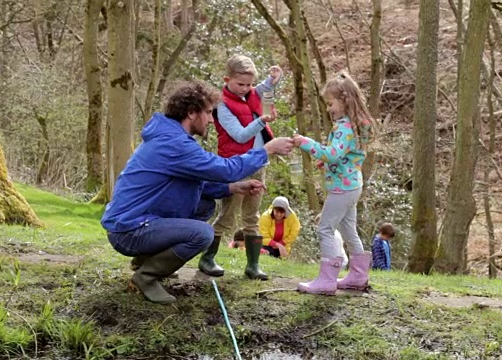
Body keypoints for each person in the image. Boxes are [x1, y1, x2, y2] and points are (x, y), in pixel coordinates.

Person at [100, 80, 294, 304]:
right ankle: (146, 277)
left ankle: (145, 260)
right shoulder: (175, 144)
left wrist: (232, 188)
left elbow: (195, 182)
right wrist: (267, 149)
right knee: (202, 234)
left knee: (205, 205)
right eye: (209, 113)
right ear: (192, 113)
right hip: (129, 230)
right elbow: (226, 169)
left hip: (134, 222)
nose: (212, 120)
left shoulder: (172, 138)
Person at [200, 54, 283, 281]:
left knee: (252, 216)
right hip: (234, 166)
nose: (246, 89)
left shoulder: (251, 93)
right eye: (240, 84)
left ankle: (253, 265)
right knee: (227, 214)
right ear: (227, 79)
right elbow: (239, 135)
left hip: (258, 163)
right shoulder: (222, 105)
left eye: (249, 84)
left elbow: (263, 90)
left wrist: (274, 79)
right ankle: (208, 257)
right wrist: (262, 121)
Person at [293, 72, 374, 295]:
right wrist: (326, 163)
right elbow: (347, 155)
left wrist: (307, 143)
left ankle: (327, 280)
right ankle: (358, 276)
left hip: (342, 188)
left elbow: (333, 154)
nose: (328, 109)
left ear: (344, 101)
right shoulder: (357, 125)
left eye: (330, 103)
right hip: (353, 185)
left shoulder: (344, 127)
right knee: (348, 229)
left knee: (325, 229)